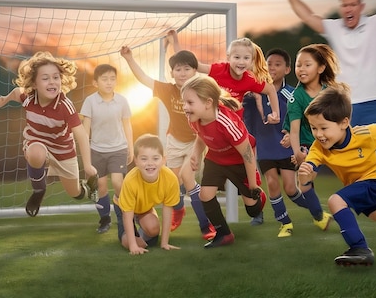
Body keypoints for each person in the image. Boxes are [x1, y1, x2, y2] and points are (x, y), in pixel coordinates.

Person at [275, 0, 376, 233]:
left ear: (360, 6)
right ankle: (338, 207)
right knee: (339, 162)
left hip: (374, 104)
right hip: (343, 107)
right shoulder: (334, 27)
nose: (348, 9)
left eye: (352, 5)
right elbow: (307, 16)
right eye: (344, 5)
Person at [298, 85, 376, 266]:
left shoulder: (364, 134)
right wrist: (304, 176)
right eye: (313, 128)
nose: (319, 135)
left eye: (324, 128)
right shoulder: (318, 148)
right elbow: (309, 173)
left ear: (344, 122)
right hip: (359, 184)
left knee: (336, 201)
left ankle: (359, 248)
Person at [120, 39, 216, 241]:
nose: (182, 73)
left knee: (188, 178)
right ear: (172, 73)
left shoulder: (201, 90)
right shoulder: (167, 90)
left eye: (187, 69)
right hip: (174, 141)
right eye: (178, 69)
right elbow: (144, 78)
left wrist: (176, 42)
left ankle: (205, 225)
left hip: (195, 141)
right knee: (173, 181)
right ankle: (179, 208)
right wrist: (129, 58)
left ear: (195, 71)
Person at [0, 51, 98, 217]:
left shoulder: (65, 105)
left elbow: (80, 134)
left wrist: (87, 164)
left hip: (63, 150)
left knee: (75, 193)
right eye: (45, 78)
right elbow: (16, 92)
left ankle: (87, 189)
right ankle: (39, 190)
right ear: (34, 83)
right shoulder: (28, 97)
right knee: (36, 153)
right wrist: (4, 100)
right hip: (37, 142)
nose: (52, 82)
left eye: (56, 77)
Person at [181, 75, 266, 248]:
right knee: (205, 195)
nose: (185, 107)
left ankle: (258, 197)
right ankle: (224, 234)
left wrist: (252, 185)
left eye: (190, 103)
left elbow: (248, 153)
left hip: (239, 161)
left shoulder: (226, 123)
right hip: (215, 158)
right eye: (184, 102)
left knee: (252, 210)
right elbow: (201, 136)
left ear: (207, 103)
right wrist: (196, 154)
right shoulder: (194, 118)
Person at [243, 48, 320, 236]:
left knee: (291, 188)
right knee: (271, 183)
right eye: (269, 64)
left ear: (287, 69)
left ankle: (317, 211)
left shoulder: (292, 95)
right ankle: (284, 223)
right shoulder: (255, 94)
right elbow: (246, 119)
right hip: (264, 148)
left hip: (286, 149)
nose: (272, 68)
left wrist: (297, 140)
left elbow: (303, 121)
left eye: (277, 65)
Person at [281, 44, 338, 231]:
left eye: (307, 65)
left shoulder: (330, 92)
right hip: (309, 145)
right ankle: (319, 217)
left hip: (333, 142)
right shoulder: (295, 97)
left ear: (321, 68)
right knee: (304, 180)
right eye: (299, 65)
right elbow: (295, 130)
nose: (301, 69)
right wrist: (297, 152)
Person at [170, 30, 280, 124]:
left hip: (234, 121)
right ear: (228, 57)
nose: (241, 62)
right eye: (237, 57)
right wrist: (175, 42)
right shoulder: (220, 70)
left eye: (246, 58)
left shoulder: (249, 80)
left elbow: (270, 89)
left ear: (251, 61)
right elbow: (193, 64)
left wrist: (275, 114)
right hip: (214, 118)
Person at [80, 63, 133, 234]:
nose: (109, 83)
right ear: (96, 83)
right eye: (104, 79)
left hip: (119, 149)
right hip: (97, 151)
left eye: (112, 79)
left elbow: (127, 125)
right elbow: (85, 130)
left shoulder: (122, 101)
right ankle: (105, 219)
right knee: (101, 186)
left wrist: (131, 147)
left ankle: (124, 216)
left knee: (118, 183)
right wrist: (87, 156)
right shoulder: (90, 102)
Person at [116, 134, 181, 255]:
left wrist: (164, 242)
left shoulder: (170, 179)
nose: (150, 163)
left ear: (163, 160)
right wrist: (133, 246)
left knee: (153, 229)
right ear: (136, 161)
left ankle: (141, 234)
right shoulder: (130, 180)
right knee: (130, 243)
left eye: (155, 158)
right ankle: (131, 236)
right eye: (144, 159)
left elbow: (167, 210)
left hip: (144, 208)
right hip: (124, 209)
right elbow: (127, 215)